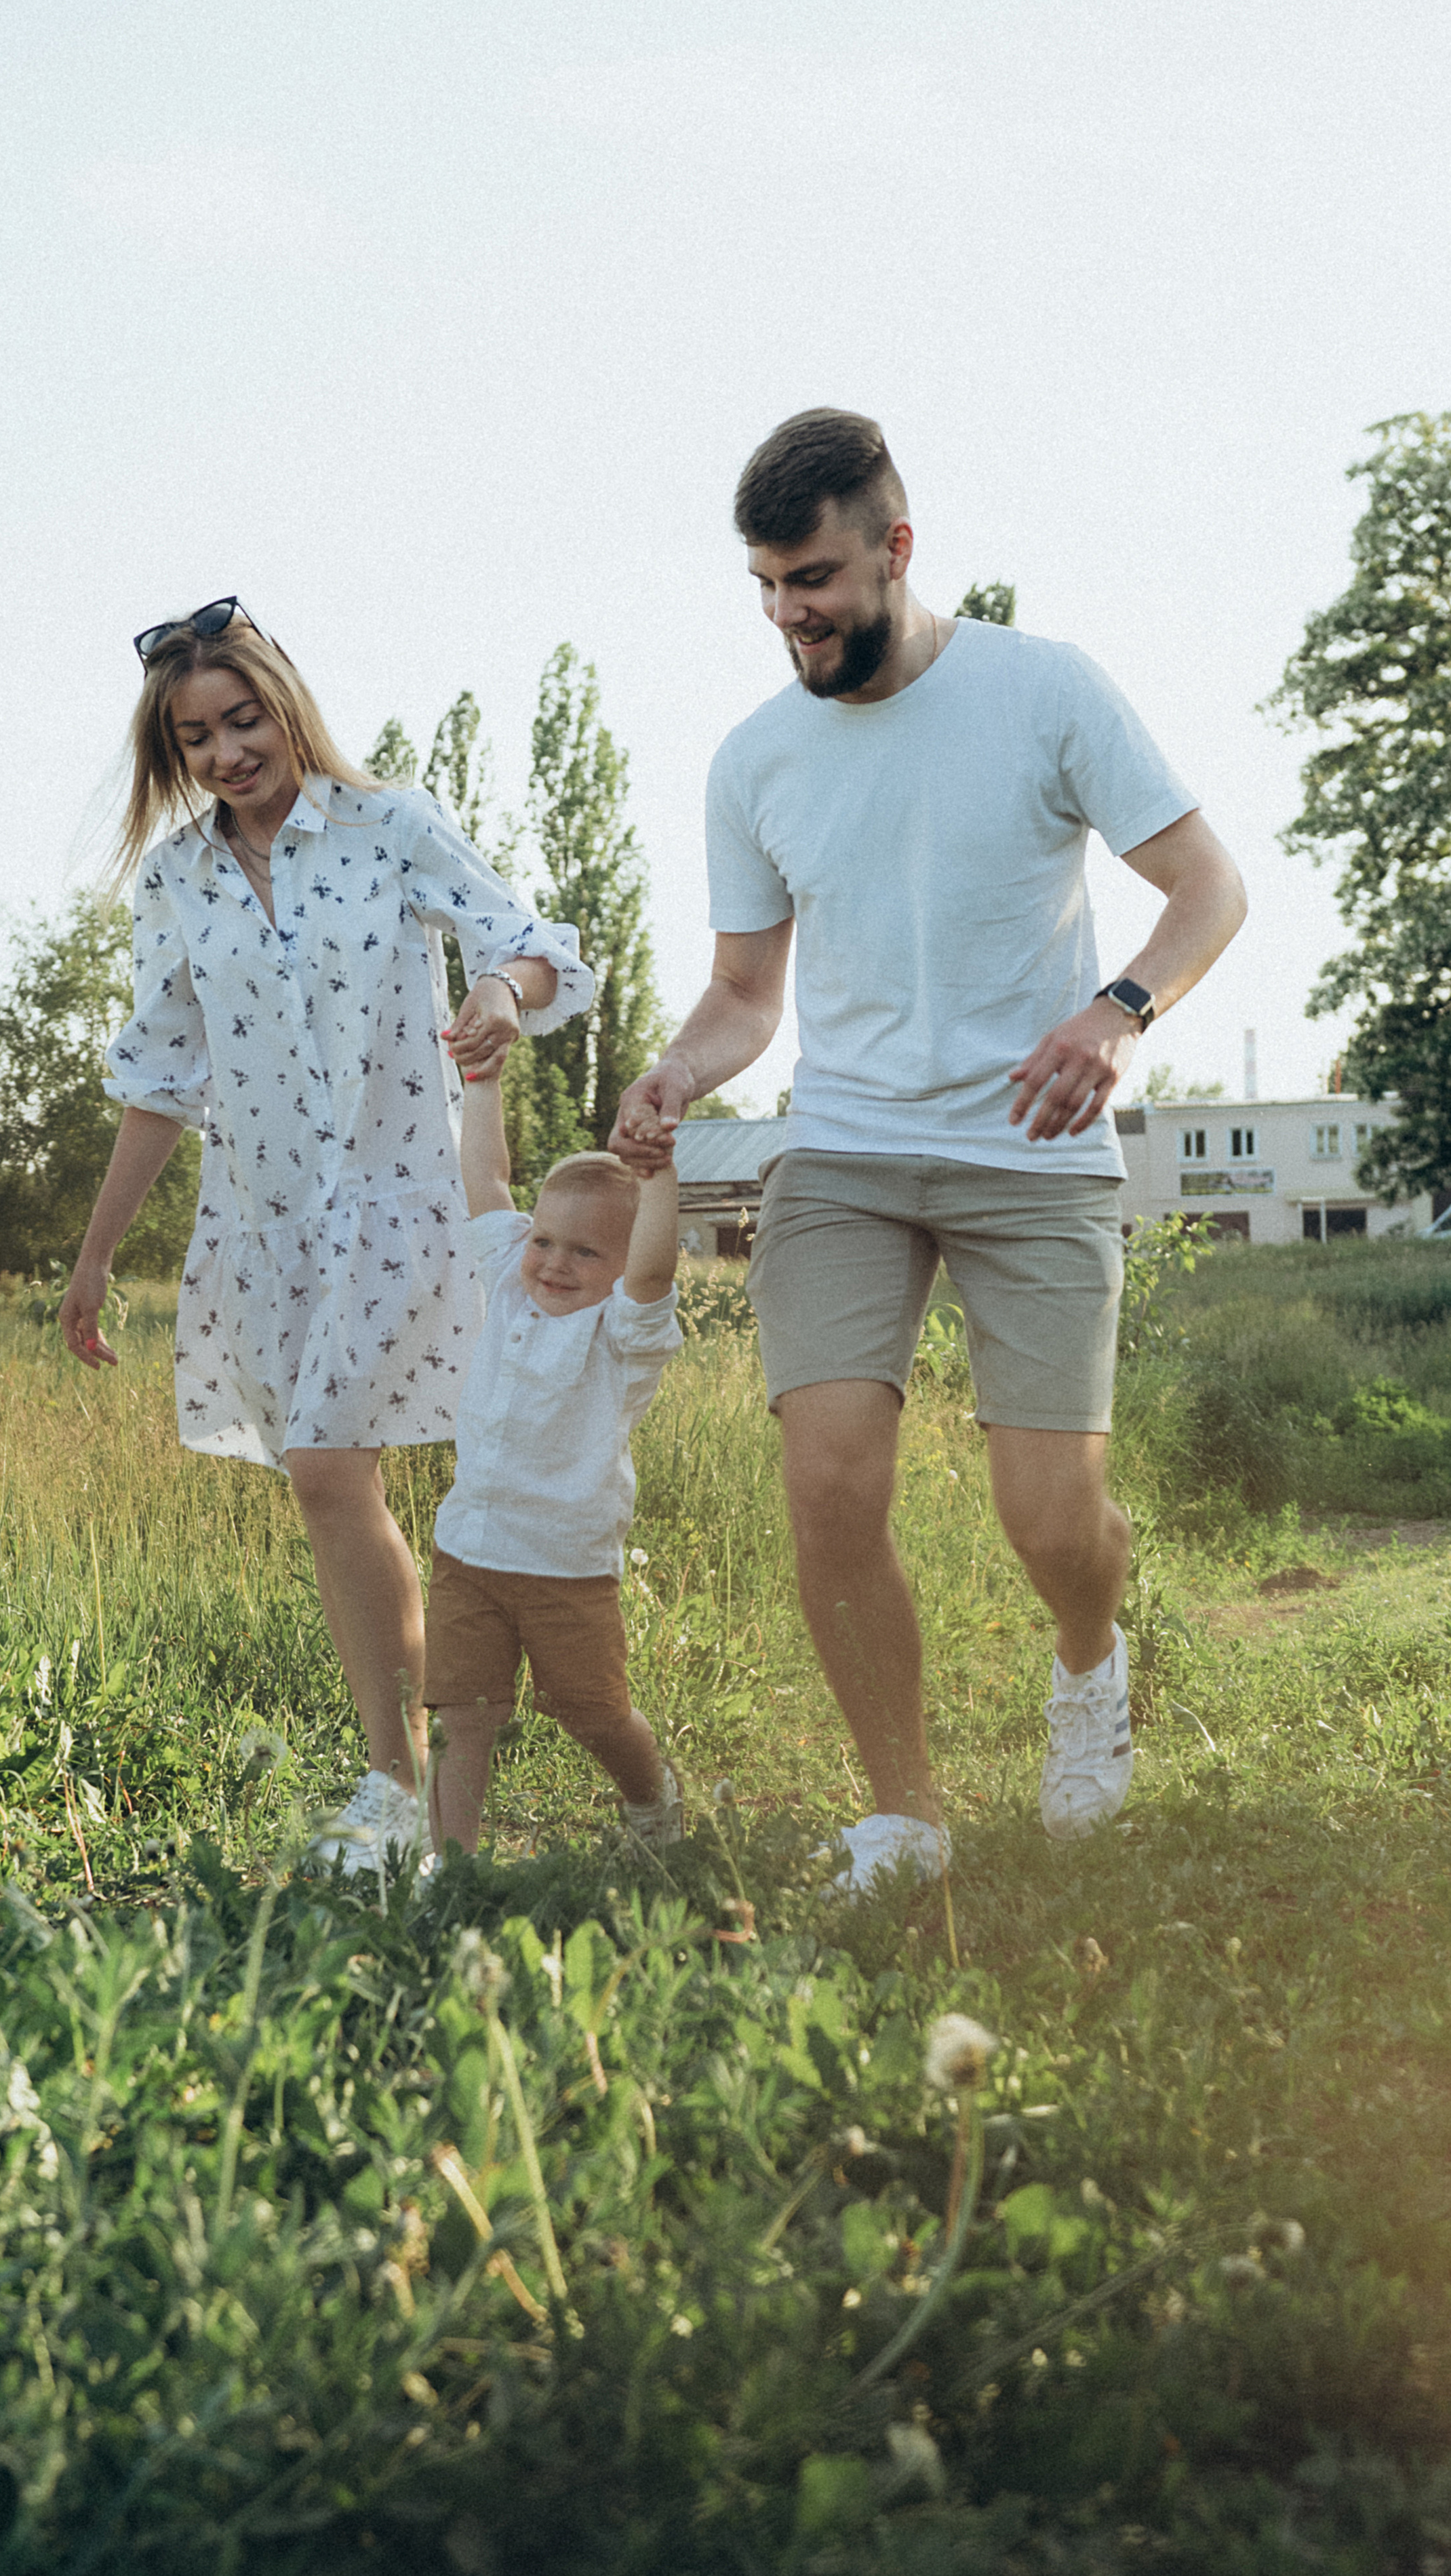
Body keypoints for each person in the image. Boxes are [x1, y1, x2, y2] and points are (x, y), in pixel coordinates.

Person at [611, 410, 1247, 1889]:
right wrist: (673, 1068)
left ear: (895, 549)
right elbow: (744, 996)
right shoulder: (753, 759)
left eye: (814, 578)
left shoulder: (1042, 689)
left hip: (1033, 1152)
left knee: (1049, 1521)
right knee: (828, 1483)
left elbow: (1207, 887)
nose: (789, 615)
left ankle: (1089, 1660)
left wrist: (1117, 1010)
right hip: (839, 1151)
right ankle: (905, 1815)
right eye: (766, 587)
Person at [58, 598, 592, 1874]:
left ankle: (395, 1786)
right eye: (197, 737)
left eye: (244, 718)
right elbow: (158, 1075)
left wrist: (496, 1000)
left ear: (287, 706)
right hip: (263, 1220)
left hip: (395, 1202)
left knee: (321, 1468)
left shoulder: (387, 826)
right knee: (336, 1486)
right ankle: (405, 1776)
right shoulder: (176, 882)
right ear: (173, 754)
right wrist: (95, 1254)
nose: (229, 751)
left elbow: (533, 949)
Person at [422, 1054, 683, 1854]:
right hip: (468, 1549)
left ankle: (653, 1801)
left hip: (567, 1567)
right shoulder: (506, 1278)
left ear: (619, 1268)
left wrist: (659, 1172)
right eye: (545, 1239)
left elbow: (655, 1268)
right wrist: (485, 1082)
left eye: (585, 1253)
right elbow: (487, 1179)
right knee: (460, 1717)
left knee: (593, 1712)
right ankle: (450, 1871)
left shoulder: (621, 1339)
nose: (555, 1262)